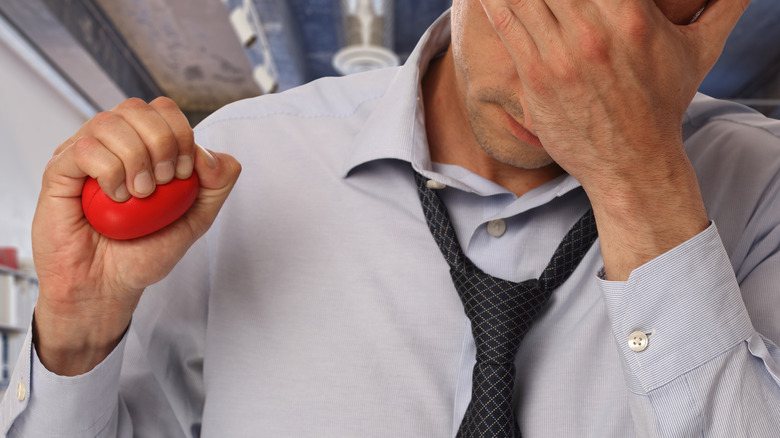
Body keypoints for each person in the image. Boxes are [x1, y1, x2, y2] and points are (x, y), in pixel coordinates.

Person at [2, 0, 779, 435]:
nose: (569, 77)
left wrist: (638, 175)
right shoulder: (245, 160)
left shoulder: (761, 186)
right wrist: (79, 336)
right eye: (546, 15)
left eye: (643, 32)